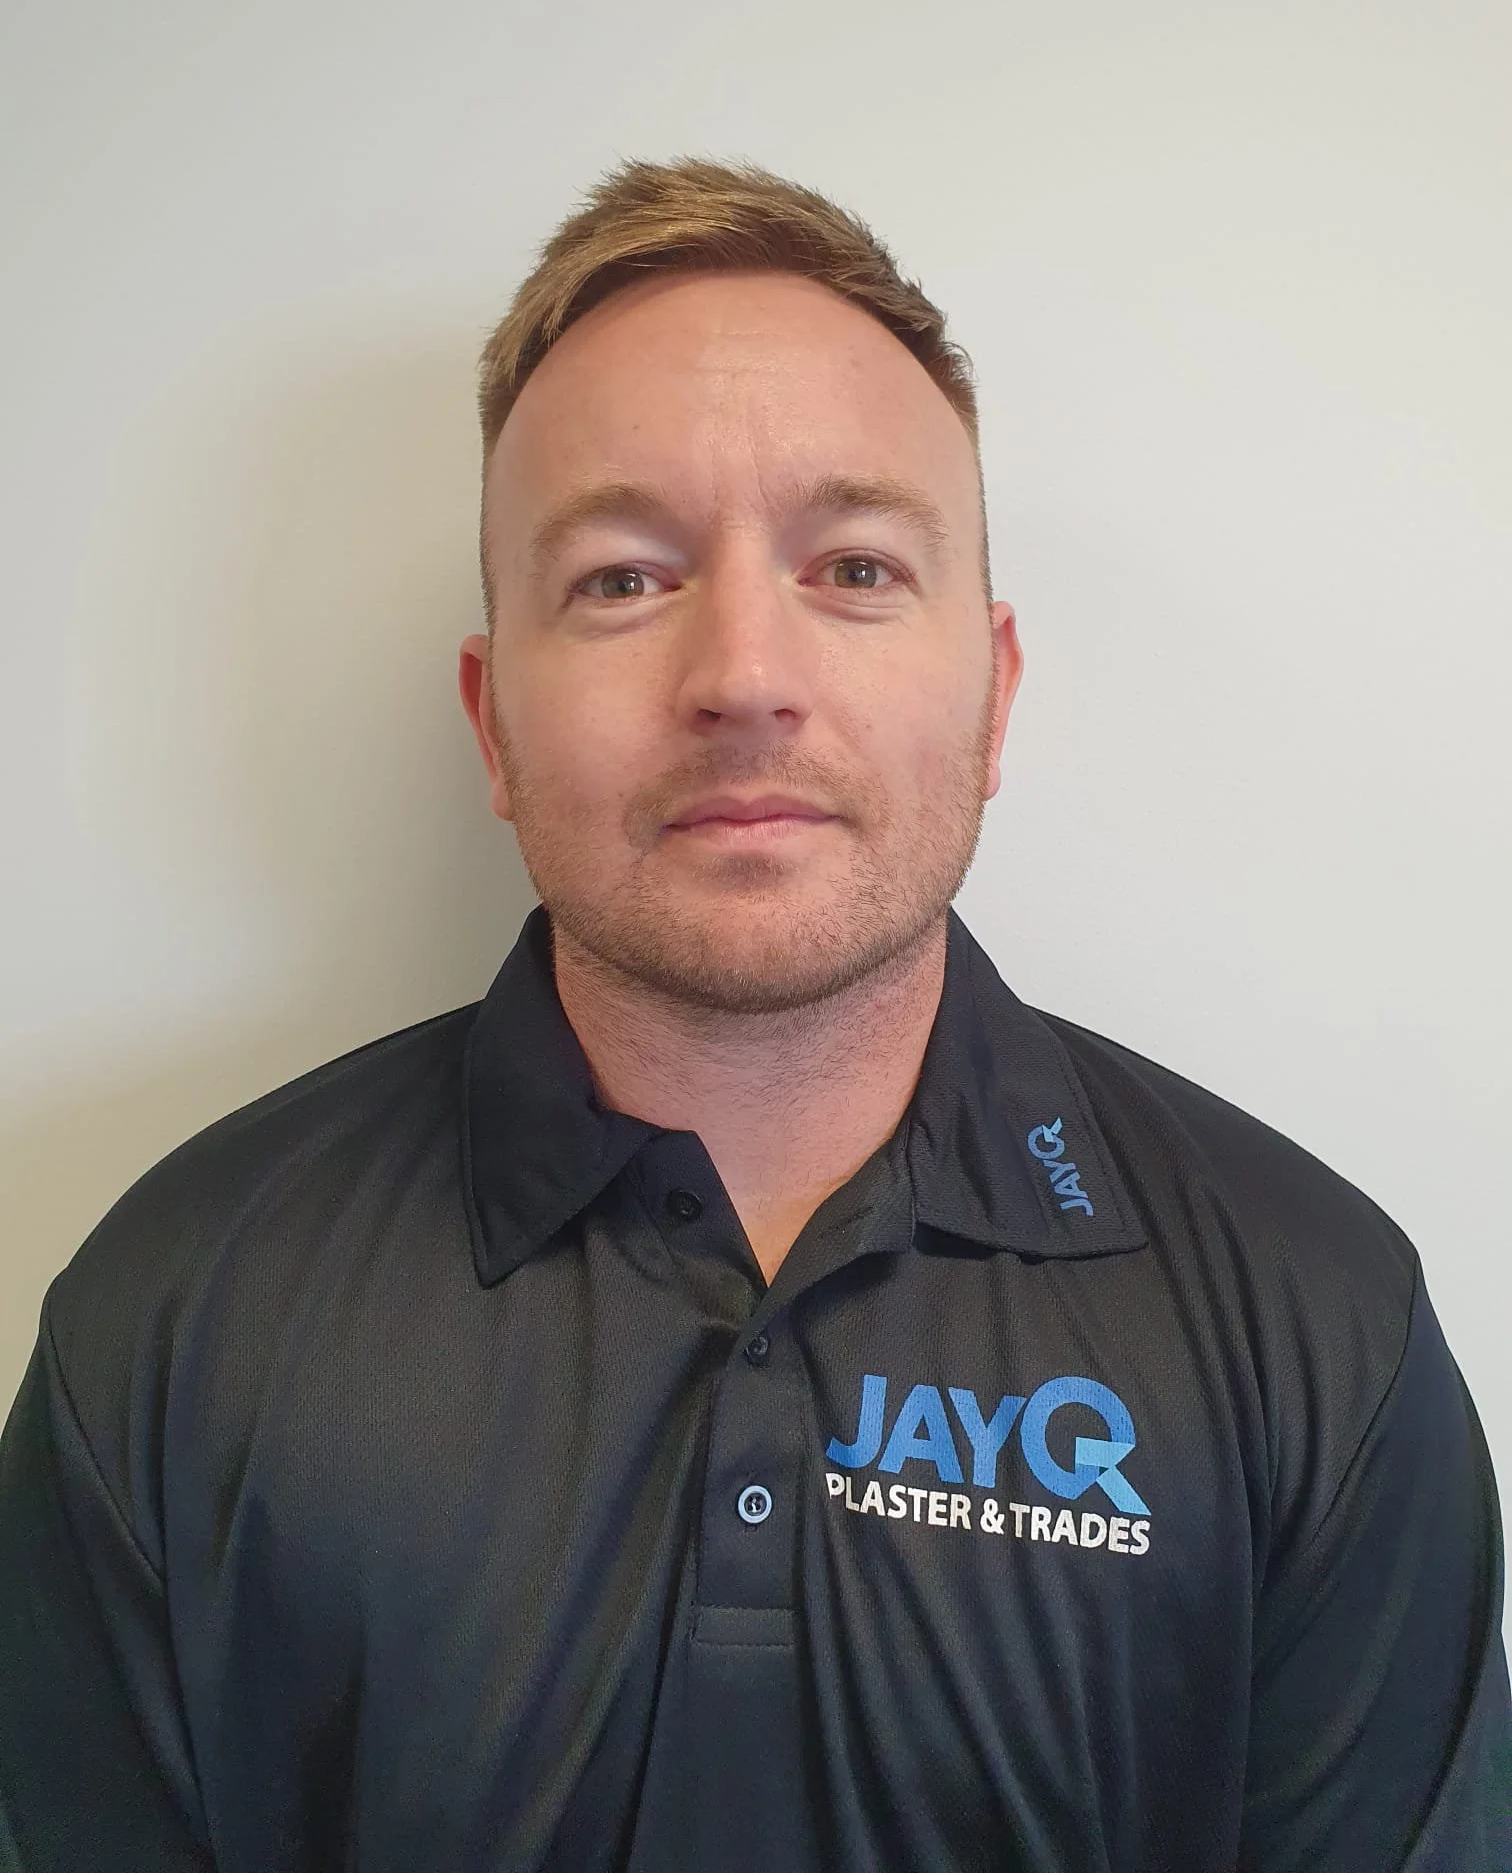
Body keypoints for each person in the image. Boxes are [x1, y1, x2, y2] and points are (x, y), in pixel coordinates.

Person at [1, 157, 1507, 1873]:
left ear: (994, 696)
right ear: (492, 726)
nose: (742, 673)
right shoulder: (177, 1319)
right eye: (624, 578)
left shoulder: (1316, 1327)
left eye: (855, 567)